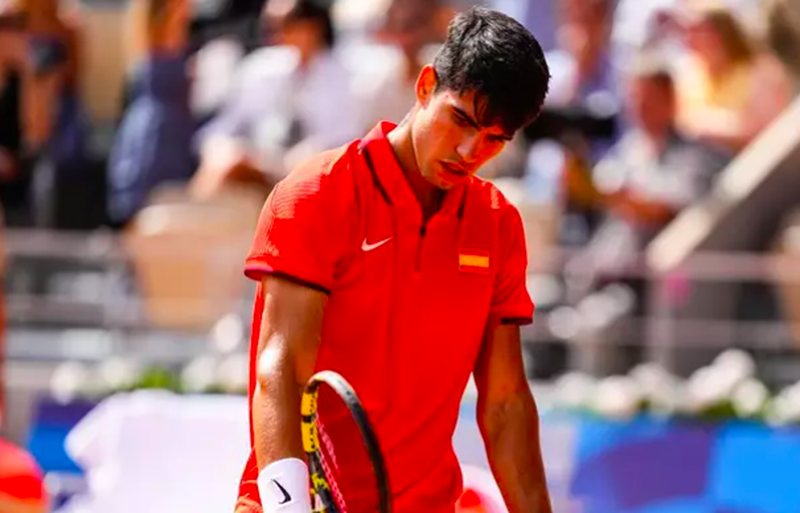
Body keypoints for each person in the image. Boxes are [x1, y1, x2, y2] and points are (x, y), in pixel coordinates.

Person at [235, 7, 552, 513]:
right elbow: (281, 370)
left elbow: (505, 405)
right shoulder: (316, 194)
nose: (471, 149)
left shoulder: (498, 224)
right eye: (462, 120)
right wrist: (289, 507)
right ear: (426, 85)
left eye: (494, 139)